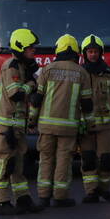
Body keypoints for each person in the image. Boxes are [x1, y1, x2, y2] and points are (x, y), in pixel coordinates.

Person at [31, 34, 91, 207]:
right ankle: (60, 196)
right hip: (69, 128)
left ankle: (43, 197)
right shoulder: (82, 73)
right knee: (64, 161)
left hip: (46, 126)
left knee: (46, 159)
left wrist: (32, 121)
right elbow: (86, 104)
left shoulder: (47, 70)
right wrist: (88, 124)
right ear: (76, 52)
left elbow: (37, 99)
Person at [0, 28, 44, 216]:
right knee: (4, 162)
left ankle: (22, 199)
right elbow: (16, 94)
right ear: (20, 47)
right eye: (30, 48)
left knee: (18, 164)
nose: (34, 51)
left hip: (16, 124)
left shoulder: (22, 66)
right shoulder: (11, 66)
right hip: (7, 125)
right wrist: (32, 84)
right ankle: (0, 201)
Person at [79, 34, 110, 203]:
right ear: (84, 53)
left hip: (105, 124)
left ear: (101, 53)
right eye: (90, 52)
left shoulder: (109, 73)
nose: (93, 55)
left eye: (95, 52)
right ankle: (91, 192)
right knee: (88, 159)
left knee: (106, 159)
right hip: (86, 125)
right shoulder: (80, 73)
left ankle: (104, 189)